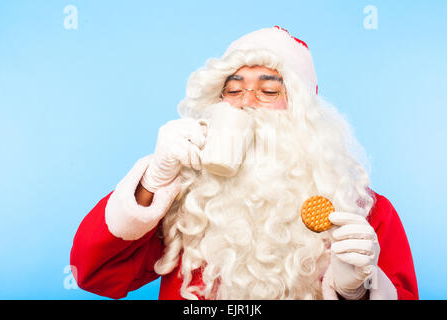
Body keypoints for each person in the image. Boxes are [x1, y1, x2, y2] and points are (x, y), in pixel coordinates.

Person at [70, 26, 418, 300]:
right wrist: (154, 181)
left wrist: (355, 292)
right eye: (233, 91)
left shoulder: (360, 211)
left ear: (303, 115)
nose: (247, 103)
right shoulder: (187, 204)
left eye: (269, 92)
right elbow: (92, 273)